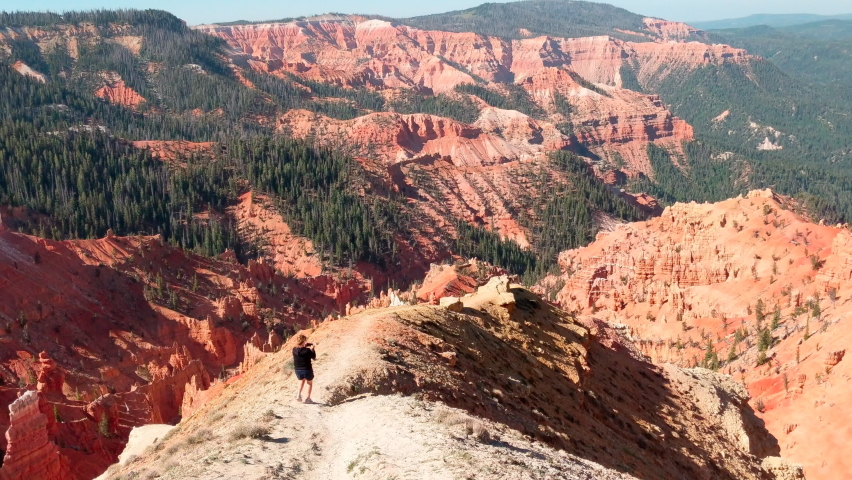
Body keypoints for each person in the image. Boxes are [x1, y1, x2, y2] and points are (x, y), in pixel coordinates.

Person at [292, 334, 316, 403]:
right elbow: (314, 357)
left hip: (297, 370)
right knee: (309, 383)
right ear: (304, 341)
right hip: (307, 369)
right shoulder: (307, 351)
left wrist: (306, 345)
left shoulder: (294, 350)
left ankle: (298, 395)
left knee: (301, 380)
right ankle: (308, 398)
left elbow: (301, 349)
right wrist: (313, 349)